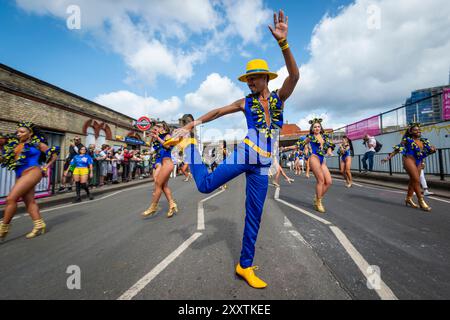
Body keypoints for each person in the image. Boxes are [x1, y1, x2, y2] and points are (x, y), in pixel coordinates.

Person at [164, 10, 299, 289]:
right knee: (205, 186)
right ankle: (190, 149)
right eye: (247, 79)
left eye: (254, 78)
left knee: (255, 216)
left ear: (266, 78)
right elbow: (217, 112)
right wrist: (192, 127)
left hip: (263, 163)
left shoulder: (279, 99)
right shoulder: (245, 102)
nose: (250, 82)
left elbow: (295, 76)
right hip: (246, 152)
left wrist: (283, 44)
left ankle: (245, 265)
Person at [0, 121, 60, 240]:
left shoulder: (37, 144)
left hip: (32, 171)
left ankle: (3, 228)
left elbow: (53, 154)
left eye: (22, 132)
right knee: (29, 201)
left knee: (11, 198)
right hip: (19, 173)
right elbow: (3, 160)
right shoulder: (14, 145)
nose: (19, 133)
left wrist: (46, 166)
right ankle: (39, 225)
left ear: (30, 133)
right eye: (18, 131)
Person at [382, 122, 436, 211]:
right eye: (415, 130)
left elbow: (423, 153)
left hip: (418, 161)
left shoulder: (423, 141)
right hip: (408, 159)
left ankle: (408, 198)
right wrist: (388, 158)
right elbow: (398, 149)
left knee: (413, 180)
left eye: (419, 130)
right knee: (416, 180)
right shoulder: (407, 139)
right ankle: (421, 201)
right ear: (410, 132)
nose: (418, 131)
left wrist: (432, 150)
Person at [296, 119, 335, 213]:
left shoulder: (325, 136)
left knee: (329, 182)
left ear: (320, 127)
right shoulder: (310, 137)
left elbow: (329, 145)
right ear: (312, 129)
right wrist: (296, 149)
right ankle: (319, 202)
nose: (317, 128)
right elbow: (301, 144)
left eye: (318, 126)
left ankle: (317, 197)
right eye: (315, 127)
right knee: (321, 180)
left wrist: (329, 151)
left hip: (322, 160)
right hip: (314, 158)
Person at [142, 122, 178, 218]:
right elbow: (154, 149)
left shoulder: (167, 136)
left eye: (158, 127)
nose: (156, 128)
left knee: (158, 184)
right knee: (163, 186)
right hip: (160, 163)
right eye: (155, 127)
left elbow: (167, 146)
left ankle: (153, 206)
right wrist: (153, 137)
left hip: (167, 163)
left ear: (163, 127)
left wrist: (157, 137)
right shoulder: (159, 137)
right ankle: (172, 204)